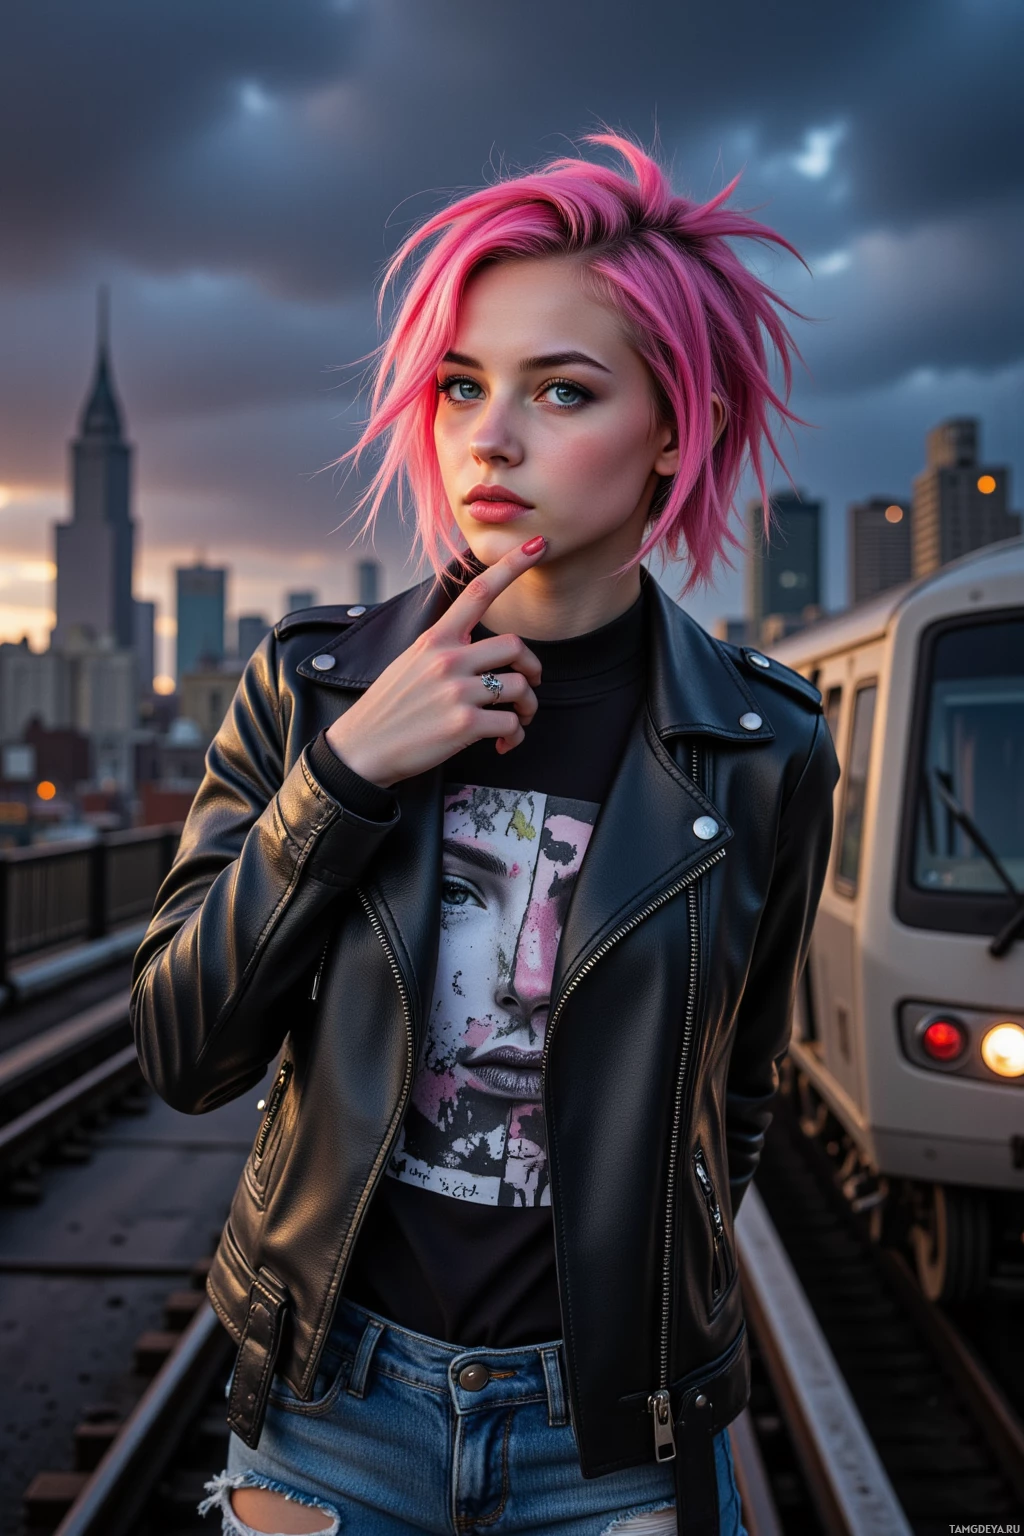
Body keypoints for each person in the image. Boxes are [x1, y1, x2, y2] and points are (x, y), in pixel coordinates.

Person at [132, 135, 839, 1536]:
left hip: (608, 1438)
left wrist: (650, 1296)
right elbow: (182, 1049)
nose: (490, 437)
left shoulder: (765, 748)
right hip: (334, 1411)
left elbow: (738, 1091)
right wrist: (348, 773)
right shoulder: (314, 688)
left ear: (677, 429)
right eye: (461, 385)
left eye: (561, 390)